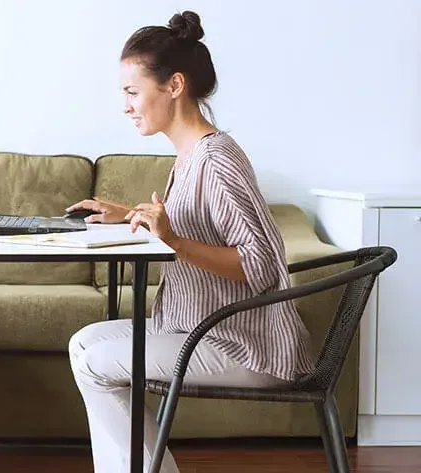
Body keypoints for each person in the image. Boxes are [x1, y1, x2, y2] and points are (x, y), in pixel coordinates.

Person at [64, 10, 315, 473]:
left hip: (243, 345)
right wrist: (130, 215)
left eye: (132, 92)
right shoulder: (192, 155)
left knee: (96, 364)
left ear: (174, 86)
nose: (126, 106)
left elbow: (261, 265)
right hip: (204, 327)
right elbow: (193, 223)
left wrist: (174, 240)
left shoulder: (217, 160)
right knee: (84, 344)